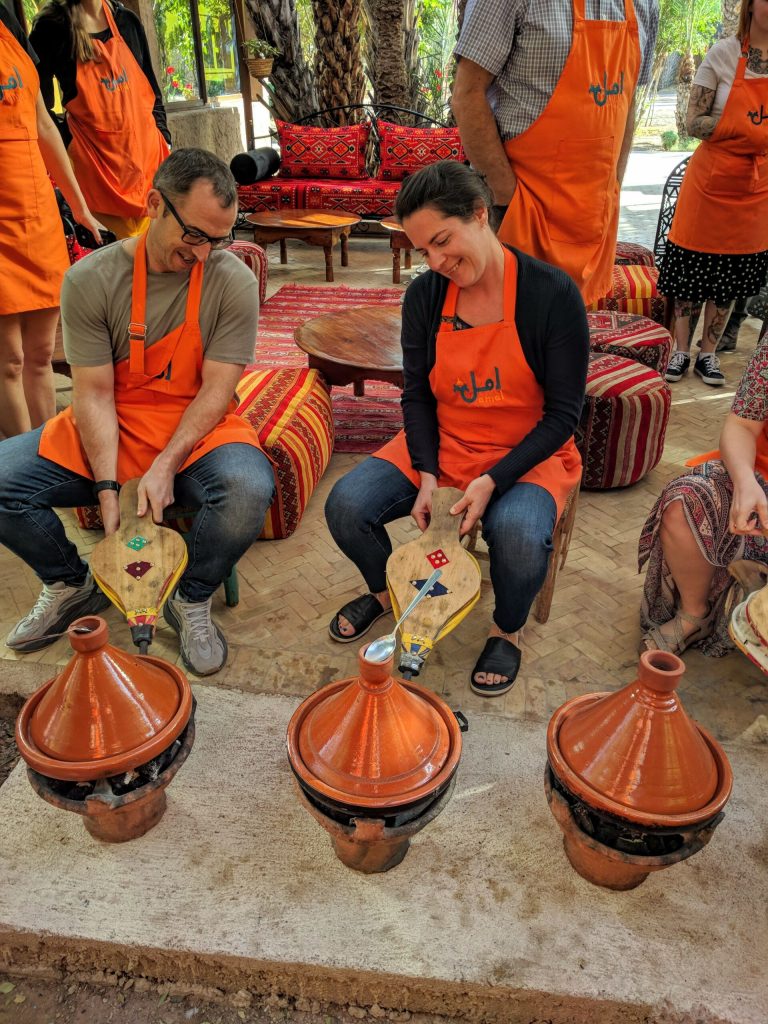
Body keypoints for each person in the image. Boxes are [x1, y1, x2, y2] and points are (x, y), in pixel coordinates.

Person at [0, 148, 275, 677]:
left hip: (197, 432)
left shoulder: (232, 280)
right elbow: (93, 395)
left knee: (248, 491)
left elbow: (217, 392)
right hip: (110, 423)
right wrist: (108, 489)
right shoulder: (91, 279)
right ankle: (70, 583)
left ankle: (190, 597)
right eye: (194, 234)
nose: (203, 253)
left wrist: (167, 463)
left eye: (218, 240)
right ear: (153, 204)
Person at [325, 162, 589, 696]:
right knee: (346, 507)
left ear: (479, 214)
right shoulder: (425, 297)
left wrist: (493, 480)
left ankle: (506, 628)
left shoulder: (550, 294)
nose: (437, 262)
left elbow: (564, 415)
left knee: (519, 537)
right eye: (424, 251)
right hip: (444, 442)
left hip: (527, 454)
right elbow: (418, 395)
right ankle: (387, 593)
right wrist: (427, 473)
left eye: (443, 241)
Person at [451, 0, 658, 305]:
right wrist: (505, 197)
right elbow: (467, 94)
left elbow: (627, 98)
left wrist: (615, 185)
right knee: (509, 321)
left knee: (570, 324)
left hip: (592, 218)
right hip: (520, 209)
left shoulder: (646, 4)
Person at [0, 2, 102, 439]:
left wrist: (79, 206)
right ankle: (18, 463)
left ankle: (45, 454)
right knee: (8, 361)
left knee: (40, 356)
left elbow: (43, 124)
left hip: (36, 208)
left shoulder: (8, 22)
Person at [660, 0, 768, 389]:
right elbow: (693, 122)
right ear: (750, 6)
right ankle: (680, 350)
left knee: (730, 275)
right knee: (690, 270)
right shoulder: (723, 53)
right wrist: (745, 132)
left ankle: (708, 355)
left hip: (756, 190)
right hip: (708, 185)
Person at [639, 333, 768, 657]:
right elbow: (742, 425)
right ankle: (695, 614)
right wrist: (745, 482)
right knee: (686, 500)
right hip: (761, 475)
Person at [30, 0, 171, 240]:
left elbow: (152, 91)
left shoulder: (127, 21)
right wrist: (70, 144)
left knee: (157, 257)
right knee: (117, 261)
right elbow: (36, 105)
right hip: (98, 178)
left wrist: (164, 137)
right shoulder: (52, 28)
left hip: (150, 168)